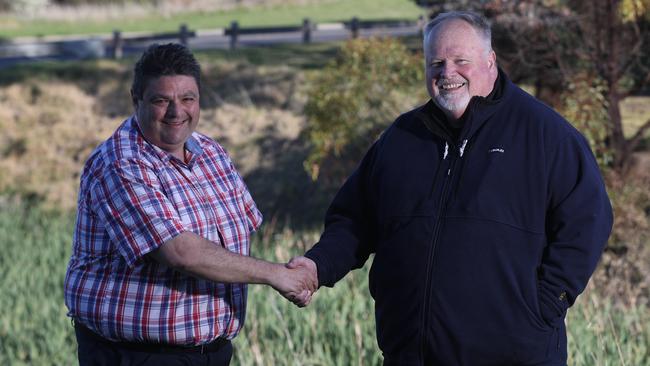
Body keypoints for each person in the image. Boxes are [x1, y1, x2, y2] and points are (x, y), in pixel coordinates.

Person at [288, 10, 613, 365]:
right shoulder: (402, 139)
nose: (447, 73)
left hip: (515, 356)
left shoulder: (544, 135)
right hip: (411, 355)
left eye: (461, 61)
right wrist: (317, 266)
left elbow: (587, 222)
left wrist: (545, 305)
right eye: (436, 63)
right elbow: (354, 220)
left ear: (490, 61)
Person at [63, 43, 315, 366]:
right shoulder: (119, 163)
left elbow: (244, 230)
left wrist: (306, 268)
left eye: (187, 99)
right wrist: (276, 274)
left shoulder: (211, 152)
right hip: (137, 355)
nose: (176, 111)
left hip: (211, 352)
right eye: (160, 100)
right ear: (135, 100)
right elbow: (180, 252)